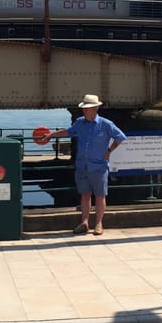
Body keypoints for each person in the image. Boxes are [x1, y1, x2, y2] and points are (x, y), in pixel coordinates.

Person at [50, 93, 127, 235]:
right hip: (82, 166)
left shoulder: (106, 124)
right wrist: (51, 135)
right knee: (85, 195)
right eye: (84, 108)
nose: (84, 110)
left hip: (98, 166)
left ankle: (99, 223)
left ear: (95, 109)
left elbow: (120, 137)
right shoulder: (79, 122)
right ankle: (84, 223)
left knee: (100, 196)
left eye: (87, 108)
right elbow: (68, 132)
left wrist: (109, 150)